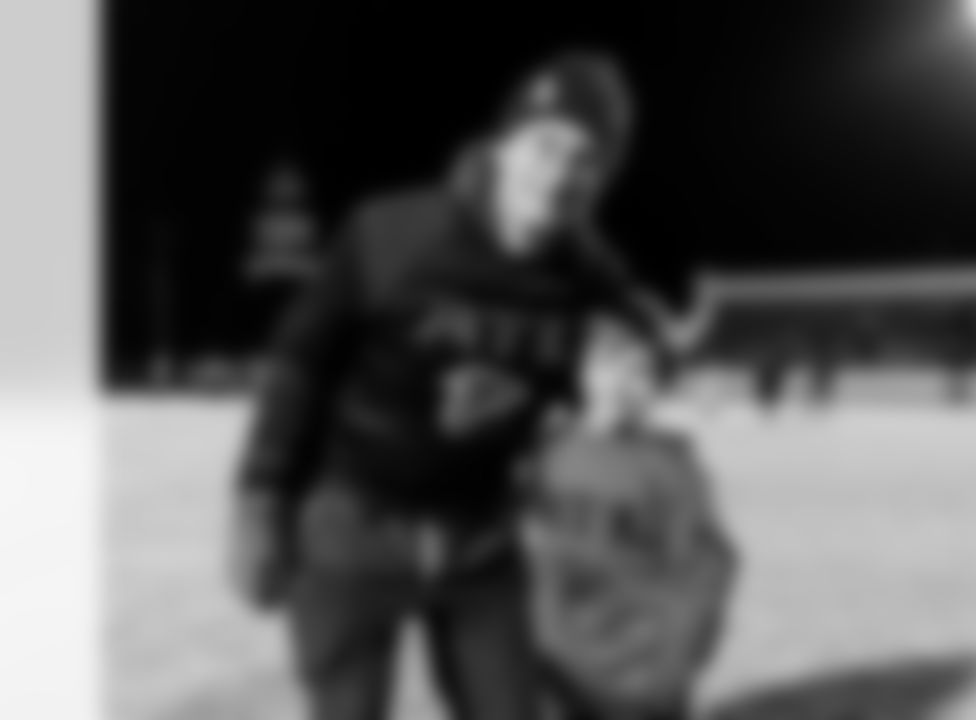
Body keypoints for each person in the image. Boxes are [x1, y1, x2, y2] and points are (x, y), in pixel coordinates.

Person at [229, 50, 672, 720]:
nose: (559, 174)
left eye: (586, 158)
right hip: (354, 524)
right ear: (503, 146)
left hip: (480, 538)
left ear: (603, 177)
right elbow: (300, 360)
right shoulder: (392, 234)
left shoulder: (590, 281)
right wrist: (261, 496)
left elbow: (648, 349)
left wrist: (625, 387)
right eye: (544, 145)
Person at [522, 316, 738, 720]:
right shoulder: (542, 456)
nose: (622, 384)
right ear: (582, 374)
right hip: (555, 658)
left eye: (638, 371)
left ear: (652, 386)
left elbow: (706, 564)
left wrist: (676, 648)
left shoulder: (671, 465)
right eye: (609, 366)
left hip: (640, 662)